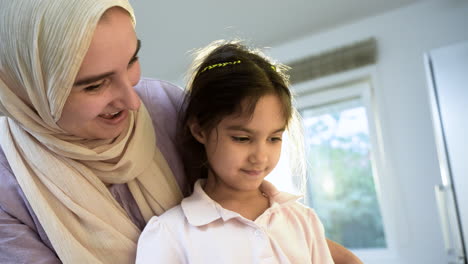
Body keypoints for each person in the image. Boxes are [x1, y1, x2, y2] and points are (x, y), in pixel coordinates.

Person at [0, 0, 361, 263]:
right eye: (94, 86)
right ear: (29, 86)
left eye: (131, 62)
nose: (132, 100)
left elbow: (243, 212)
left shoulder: (165, 106)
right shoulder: (8, 189)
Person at [136, 40, 334, 263]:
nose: (260, 156)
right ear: (200, 130)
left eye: (274, 138)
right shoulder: (169, 235)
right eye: (242, 138)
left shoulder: (303, 221)